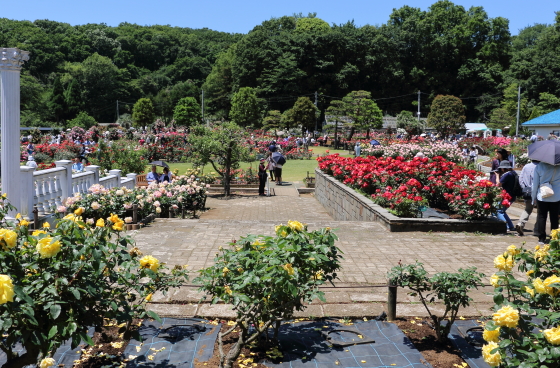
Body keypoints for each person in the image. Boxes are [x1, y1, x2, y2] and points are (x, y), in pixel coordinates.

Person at [532, 161, 560, 244]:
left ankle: (541, 238)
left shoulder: (539, 166)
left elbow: (535, 184)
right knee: (554, 218)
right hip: (556, 195)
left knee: (541, 217)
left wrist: (533, 197)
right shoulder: (559, 166)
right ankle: (554, 237)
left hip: (542, 195)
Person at [516, 160, 539, 236]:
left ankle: (520, 223)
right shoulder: (541, 167)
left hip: (527, 192)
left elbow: (520, 179)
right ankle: (537, 229)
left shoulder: (526, 166)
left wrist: (524, 188)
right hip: (538, 192)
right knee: (540, 212)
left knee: (527, 209)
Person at [495, 160, 518, 232]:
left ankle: (506, 226)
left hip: (506, 196)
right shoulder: (514, 173)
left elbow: (499, 183)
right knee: (502, 211)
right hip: (512, 196)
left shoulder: (507, 174)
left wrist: (497, 175)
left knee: (499, 211)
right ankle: (510, 226)